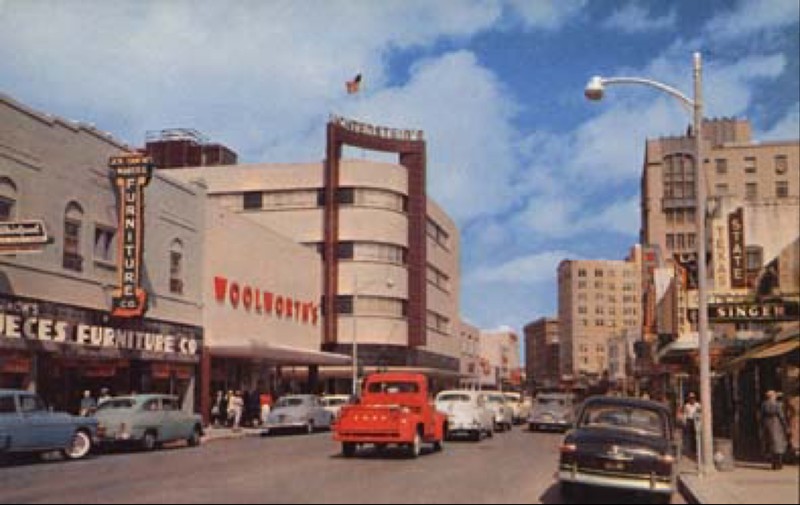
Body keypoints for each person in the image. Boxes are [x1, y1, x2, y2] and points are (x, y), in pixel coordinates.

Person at [761, 390, 790, 470]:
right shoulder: (777, 405)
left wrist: (763, 425)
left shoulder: (764, 404)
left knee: (771, 444)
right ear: (773, 396)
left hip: (768, 424)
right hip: (777, 424)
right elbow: (781, 416)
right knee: (779, 445)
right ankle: (779, 464)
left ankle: (773, 464)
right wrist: (786, 426)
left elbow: (762, 415)